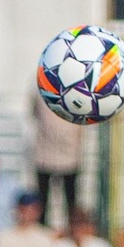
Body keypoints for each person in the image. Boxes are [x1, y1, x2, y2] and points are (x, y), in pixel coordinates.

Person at [29, 91, 84, 226]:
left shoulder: (78, 88)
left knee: (71, 201)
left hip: (70, 154)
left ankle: (72, 230)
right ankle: (41, 231)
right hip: (45, 154)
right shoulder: (41, 86)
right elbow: (34, 112)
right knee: (42, 201)